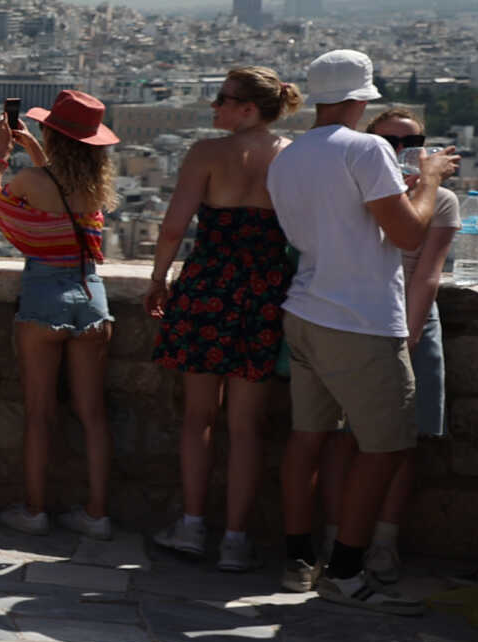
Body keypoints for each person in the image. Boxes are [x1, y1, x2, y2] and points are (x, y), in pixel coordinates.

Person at [268, 50, 459, 610]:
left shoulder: (287, 156)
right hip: (360, 319)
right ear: (362, 99)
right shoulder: (367, 148)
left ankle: (298, 558)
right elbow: (405, 235)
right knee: (387, 446)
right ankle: (346, 569)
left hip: (304, 310)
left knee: (307, 438)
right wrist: (427, 180)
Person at [145, 67, 301, 572]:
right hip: (264, 295)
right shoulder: (291, 158)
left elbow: (173, 226)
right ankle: (236, 538)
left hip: (209, 289)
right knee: (248, 426)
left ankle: (192, 526)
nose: (214, 108)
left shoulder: (206, 154)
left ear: (248, 108)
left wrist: (157, 278)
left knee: (198, 418)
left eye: (222, 100)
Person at [313, 106, 460, 582]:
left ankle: (382, 543)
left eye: (410, 143)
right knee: (342, 438)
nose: (399, 152)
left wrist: (407, 332)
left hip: (408, 322)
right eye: (389, 143)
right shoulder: (353, 191)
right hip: (357, 320)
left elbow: (428, 276)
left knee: (401, 441)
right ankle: (338, 538)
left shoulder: (442, 200)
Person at [0, 91, 121, 539]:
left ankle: (35, 509)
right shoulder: (97, 188)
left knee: (40, 412)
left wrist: (2, 157)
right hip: (92, 296)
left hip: (45, 295)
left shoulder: (29, 178)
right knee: (93, 414)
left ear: (53, 136)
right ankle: (98, 514)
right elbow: (62, 193)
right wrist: (36, 153)